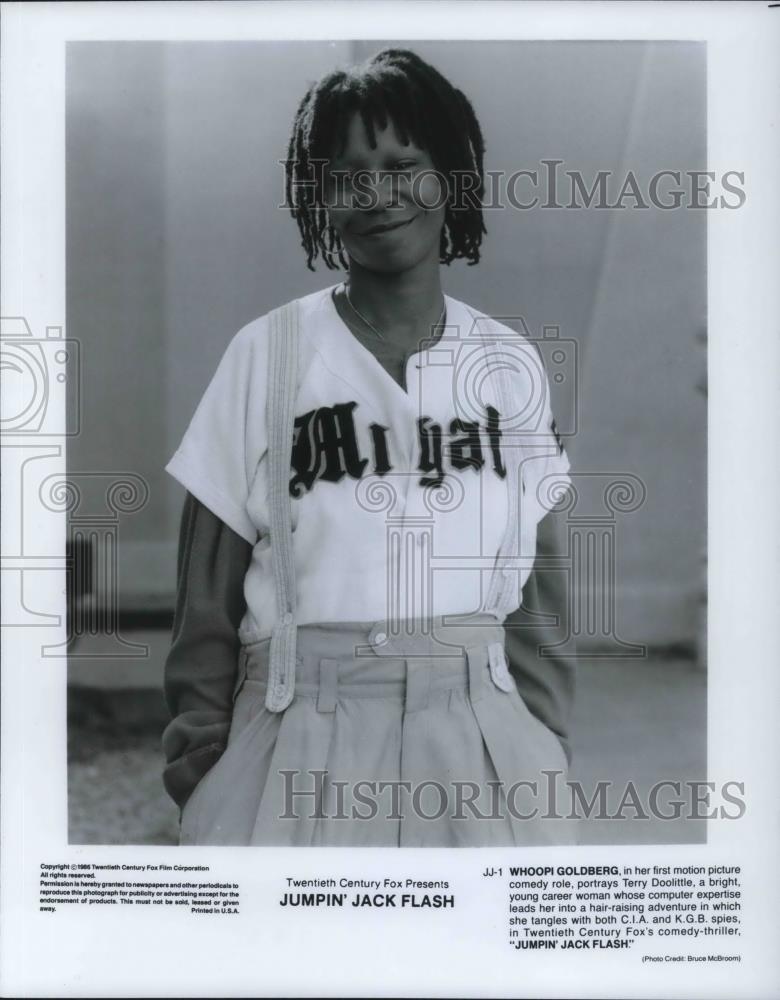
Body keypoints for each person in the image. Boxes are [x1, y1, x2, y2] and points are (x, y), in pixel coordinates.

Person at [162, 47, 576, 847]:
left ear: (449, 178)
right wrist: (200, 748)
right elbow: (204, 594)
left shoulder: (509, 364)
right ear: (320, 196)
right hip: (297, 722)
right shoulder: (268, 354)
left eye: (403, 164)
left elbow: (540, 590)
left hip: (477, 728)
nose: (378, 193)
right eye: (349, 173)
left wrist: (546, 746)